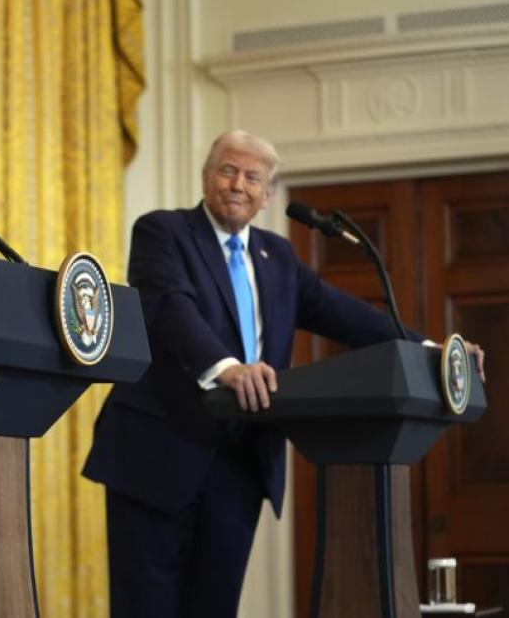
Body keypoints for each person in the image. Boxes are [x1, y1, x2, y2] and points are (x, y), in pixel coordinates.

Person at [82, 130, 485, 617]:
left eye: (253, 177)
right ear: (206, 177)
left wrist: (431, 350)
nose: (238, 184)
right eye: (228, 170)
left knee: (215, 607)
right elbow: (170, 307)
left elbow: (345, 314)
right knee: (146, 608)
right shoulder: (163, 232)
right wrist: (227, 368)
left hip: (241, 460)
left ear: (268, 195)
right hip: (159, 452)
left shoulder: (278, 258)